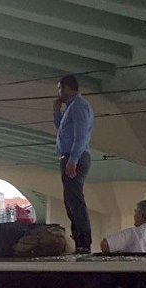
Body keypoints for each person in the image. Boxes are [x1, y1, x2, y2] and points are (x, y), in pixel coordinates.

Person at [53, 74, 94, 254]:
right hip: (69, 157)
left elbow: (81, 136)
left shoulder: (78, 107)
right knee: (70, 202)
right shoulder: (71, 108)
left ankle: (84, 242)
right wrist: (56, 111)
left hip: (74, 157)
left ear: (69, 88)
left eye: (60, 88)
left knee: (75, 202)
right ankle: (79, 239)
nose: (59, 92)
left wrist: (73, 160)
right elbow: (62, 129)